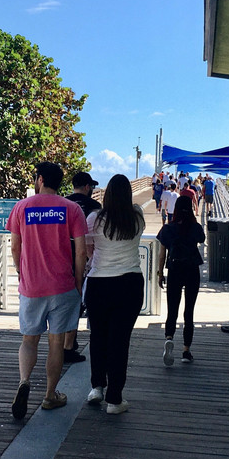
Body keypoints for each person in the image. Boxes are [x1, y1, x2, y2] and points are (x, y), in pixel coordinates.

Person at [6, 162, 88, 420]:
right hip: (62, 286)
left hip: (32, 287)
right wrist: (77, 282)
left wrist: (22, 273)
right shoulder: (72, 208)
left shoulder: (22, 207)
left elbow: (15, 248)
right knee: (56, 342)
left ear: (40, 179)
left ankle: (24, 381)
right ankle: (50, 395)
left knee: (29, 339)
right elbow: (82, 252)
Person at [84, 174, 146, 414]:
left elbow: (90, 250)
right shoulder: (137, 216)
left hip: (99, 283)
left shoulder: (95, 219)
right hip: (129, 283)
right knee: (120, 340)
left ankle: (97, 387)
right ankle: (115, 399)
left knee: (98, 336)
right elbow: (135, 213)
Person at [156, 195, 206, 365]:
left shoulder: (168, 229)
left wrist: (160, 273)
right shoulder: (196, 227)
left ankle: (169, 338)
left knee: (172, 309)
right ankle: (186, 351)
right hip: (192, 269)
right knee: (189, 311)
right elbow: (201, 239)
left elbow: (162, 253)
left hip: (175, 269)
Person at [64, 171, 102, 364]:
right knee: (77, 304)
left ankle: (61, 344)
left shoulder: (63, 203)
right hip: (84, 260)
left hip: (62, 258)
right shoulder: (95, 207)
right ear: (87, 187)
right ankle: (68, 348)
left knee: (62, 304)